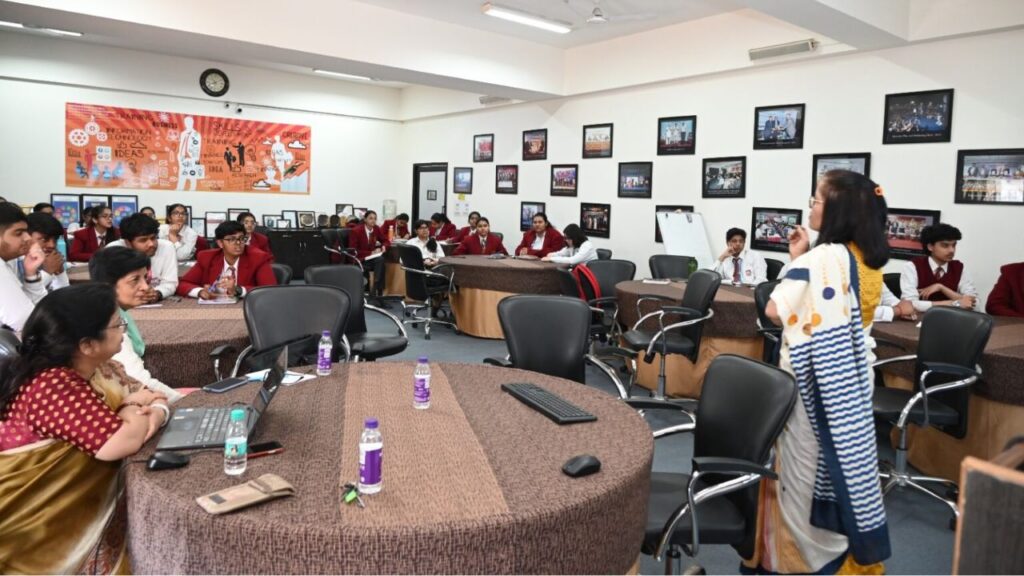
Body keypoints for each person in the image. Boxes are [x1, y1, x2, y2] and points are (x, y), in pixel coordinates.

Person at [759, 170, 891, 573]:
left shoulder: (825, 258)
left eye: (816, 199)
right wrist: (802, 258)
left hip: (815, 380)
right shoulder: (865, 259)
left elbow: (776, 310)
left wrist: (799, 261)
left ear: (837, 209)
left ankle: (804, 562)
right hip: (852, 376)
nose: (811, 206)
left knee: (802, 474)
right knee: (841, 466)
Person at [0, 283, 169, 573]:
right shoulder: (52, 385)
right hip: (32, 528)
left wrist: (155, 412)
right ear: (87, 344)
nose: (124, 330)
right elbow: (121, 442)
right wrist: (133, 407)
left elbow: (152, 396)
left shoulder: (100, 367)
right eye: (117, 324)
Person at [89, 246, 184, 403]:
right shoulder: (108, 323)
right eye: (135, 280)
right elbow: (138, 381)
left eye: (145, 278)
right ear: (108, 285)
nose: (145, 287)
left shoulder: (117, 311)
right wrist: (184, 401)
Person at [176, 221, 275, 300]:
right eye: (231, 239)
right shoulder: (207, 258)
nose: (238, 243)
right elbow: (183, 284)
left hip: (246, 308)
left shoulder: (258, 258)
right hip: (213, 309)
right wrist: (200, 292)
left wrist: (238, 290)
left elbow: (270, 290)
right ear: (220, 243)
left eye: (241, 238)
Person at [900, 223, 978, 311]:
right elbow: (909, 304)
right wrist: (954, 303)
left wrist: (942, 288)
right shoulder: (912, 266)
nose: (952, 250)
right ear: (930, 247)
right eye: (945, 245)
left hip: (953, 317)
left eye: (954, 245)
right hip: (922, 318)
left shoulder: (959, 268)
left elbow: (974, 304)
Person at [105, 213, 178, 301]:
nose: (151, 244)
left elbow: (170, 283)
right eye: (143, 240)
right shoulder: (113, 250)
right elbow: (109, 285)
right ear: (127, 242)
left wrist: (157, 293)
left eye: (153, 238)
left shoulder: (167, 247)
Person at [0, 202, 46, 331]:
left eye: (26, 232)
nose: (28, 238)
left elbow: (32, 309)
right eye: (18, 233)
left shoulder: (5, 262)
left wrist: (31, 274)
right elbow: (28, 323)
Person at [24, 212, 70, 297]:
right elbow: (25, 299)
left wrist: (60, 272)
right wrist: (47, 272)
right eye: (44, 239)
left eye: (55, 239)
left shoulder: (46, 259)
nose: (52, 245)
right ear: (26, 237)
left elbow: (64, 295)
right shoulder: (16, 262)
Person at [348, 210, 390, 297]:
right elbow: (353, 251)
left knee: (381, 260)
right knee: (380, 261)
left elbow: (386, 240)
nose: (373, 221)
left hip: (370, 259)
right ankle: (377, 290)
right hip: (359, 259)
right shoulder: (356, 231)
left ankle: (376, 288)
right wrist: (371, 252)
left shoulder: (376, 229)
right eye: (370, 218)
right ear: (365, 219)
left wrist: (384, 246)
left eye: (375, 218)